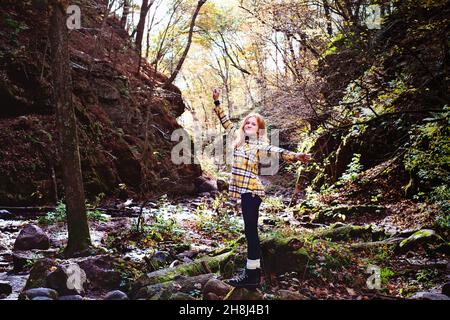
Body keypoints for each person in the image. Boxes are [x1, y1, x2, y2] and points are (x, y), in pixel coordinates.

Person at [211, 88, 312, 289]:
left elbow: (277, 151)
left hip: (253, 192)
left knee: (251, 232)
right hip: (245, 192)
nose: (249, 125)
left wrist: (296, 156)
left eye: (253, 124)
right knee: (250, 231)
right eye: (247, 123)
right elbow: (225, 121)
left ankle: (252, 275)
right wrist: (217, 102)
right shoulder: (238, 139)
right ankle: (252, 273)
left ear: (259, 130)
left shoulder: (258, 145)